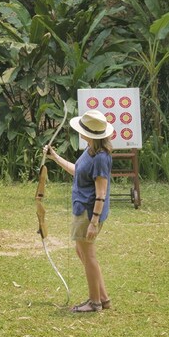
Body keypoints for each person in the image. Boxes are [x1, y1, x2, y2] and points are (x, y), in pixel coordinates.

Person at [44, 109, 113, 313]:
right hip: (83, 208)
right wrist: (55, 157)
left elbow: (101, 192)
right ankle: (103, 297)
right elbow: (78, 170)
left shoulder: (100, 157)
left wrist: (94, 221)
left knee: (88, 254)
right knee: (82, 251)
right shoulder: (91, 150)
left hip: (88, 211)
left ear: (90, 134)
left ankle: (94, 302)